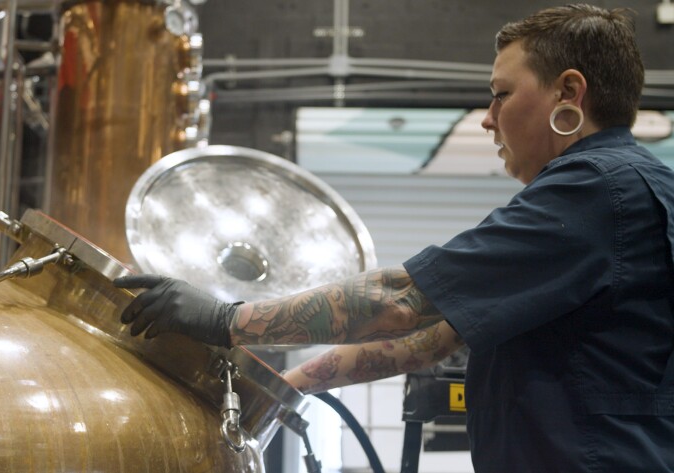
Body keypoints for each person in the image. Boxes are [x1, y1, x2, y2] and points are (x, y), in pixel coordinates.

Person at [114, 4, 674, 472]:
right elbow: (433, 336)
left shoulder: (596, 191)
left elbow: (404, 302)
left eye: (501, 93)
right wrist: (281, 387)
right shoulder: (628, 190)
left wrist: (224, 320)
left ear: (568, 92)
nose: (487, 118)